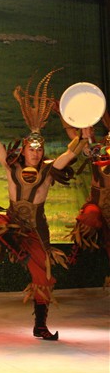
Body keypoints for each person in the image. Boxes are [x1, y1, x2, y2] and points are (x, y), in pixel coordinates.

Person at [0, 70, 87, 341]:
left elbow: (71, 152)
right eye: (31, 149)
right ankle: (14, 248)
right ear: (23, 149)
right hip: (12, 227)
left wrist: (81, 133)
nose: (35, 153)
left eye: (39, 150)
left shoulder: (49, 170)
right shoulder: (10, 166)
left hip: (35, 231)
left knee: (44, 278)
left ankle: (40, 325)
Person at [65, 112, 109, 286]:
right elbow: (75, 137)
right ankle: (78, 248)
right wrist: (66, 117)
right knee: (89, 217)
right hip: (97, 206)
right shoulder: (98, 149)